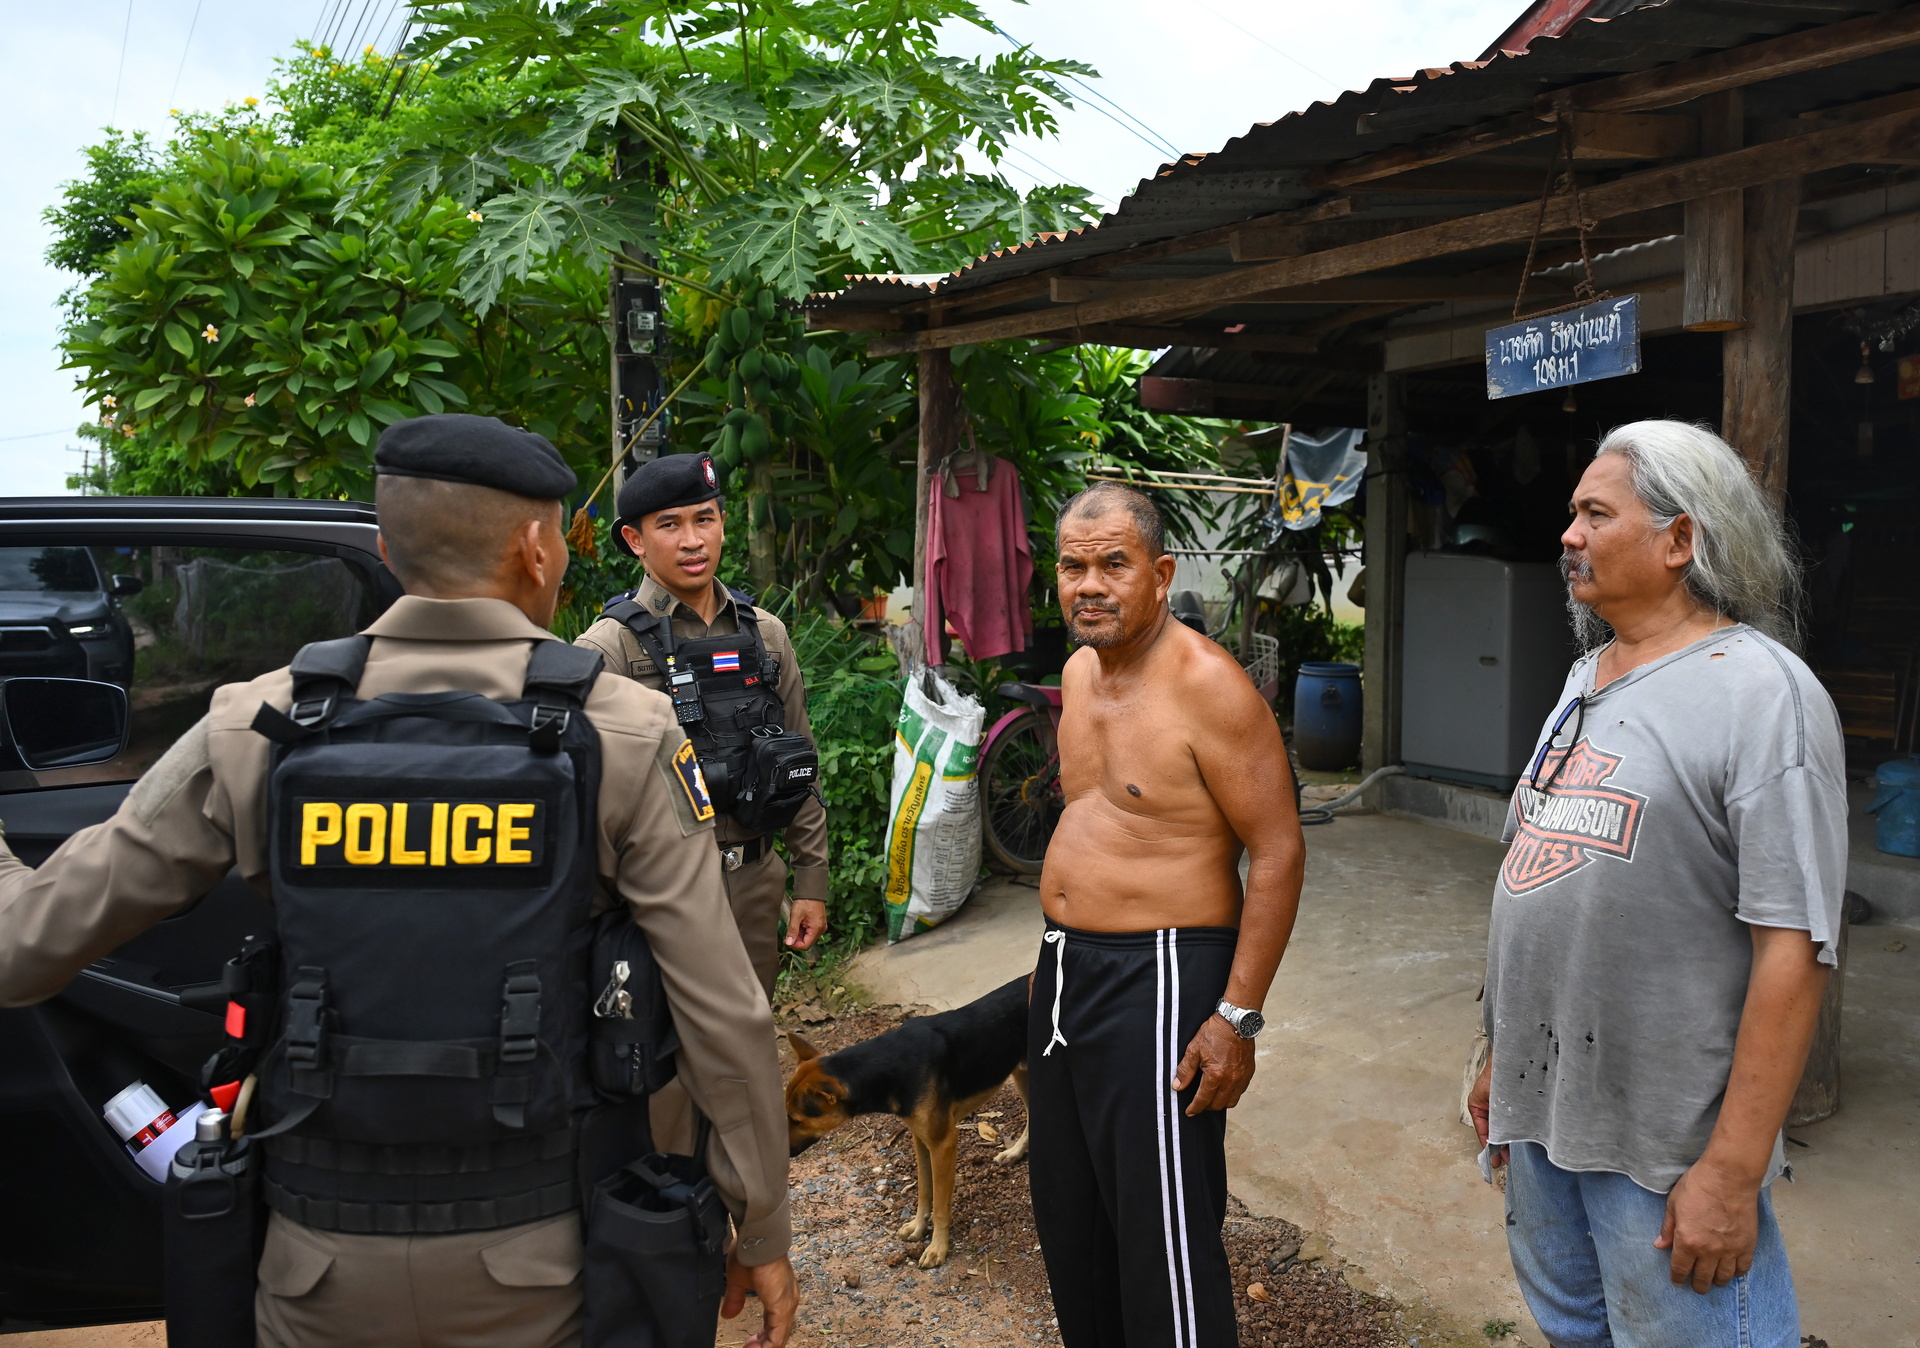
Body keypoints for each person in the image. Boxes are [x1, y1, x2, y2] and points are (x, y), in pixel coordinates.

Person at [0, 414, 798, 1348]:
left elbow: (23, 951)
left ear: (386, 547)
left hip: (312, 1270)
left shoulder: (254, 726)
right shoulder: (622, 732)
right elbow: (722, 1010)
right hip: (544, 1264)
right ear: (540, 551)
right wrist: (762, 1225)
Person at [1468, 420, 1844, 1348]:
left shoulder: (1765, 696)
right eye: (1572, 515)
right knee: (1575, 1332)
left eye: (1596, 514)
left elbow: (1794, 950)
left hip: (1665, 1146)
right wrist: (1493, 1056)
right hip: (1548, 1112)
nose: (1569, 535)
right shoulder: (1585, 675)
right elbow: (1544, 871)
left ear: (1681, 540)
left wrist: (1731, 1170)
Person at [1029, 481, 1306, 1348]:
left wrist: (1236, 1016)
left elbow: (1281, 850)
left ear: (1160, 572)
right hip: (1066, 969)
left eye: (1114, 564)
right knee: (1072, 1219)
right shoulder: (1078, 673)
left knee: (1163, 1244)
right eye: (1074, 567)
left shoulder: (1208, 686)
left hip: (1160, 975)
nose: (1090, 585)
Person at [574, 453, 827, 1000]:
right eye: (670, 525)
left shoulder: (766, 635)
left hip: (756, 884)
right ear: (635, 540)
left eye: (704, 519)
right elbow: (589, 802)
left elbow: (799, 757)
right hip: (661, 894)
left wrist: (811, 881)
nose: (692, 540)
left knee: (752, 1042)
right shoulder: (607, 649)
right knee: (663, 1067)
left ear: (722, 524)